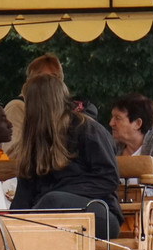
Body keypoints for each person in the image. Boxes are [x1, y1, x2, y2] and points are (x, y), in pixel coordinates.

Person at [10, 74, 121, 240]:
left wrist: (57, 193)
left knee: (52, 201)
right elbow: (23, 197)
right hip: (49, 216)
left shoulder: (87, 130)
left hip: (98, 215)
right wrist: (10, 224)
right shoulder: (35, 142)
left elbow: (108, 179)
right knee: (16, 220)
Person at [3, 53, 97, 153]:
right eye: (40, 77)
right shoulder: (17, 107)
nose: (47, 83)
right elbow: (10, 152)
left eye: (53, 78)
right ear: (29, 82)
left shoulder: (70, 112)